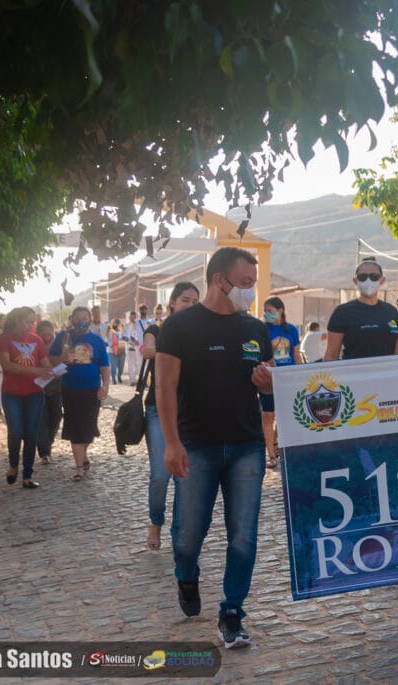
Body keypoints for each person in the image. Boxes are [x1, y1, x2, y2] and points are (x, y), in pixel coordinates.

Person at [156, 246, 273, 649]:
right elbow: (164, 387)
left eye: (253, 285)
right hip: (196, 446)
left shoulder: (256, 329)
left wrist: (267, 382)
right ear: (217, 280)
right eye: (244, 284)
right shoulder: (180, 327)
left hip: (246, 446)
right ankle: (186, 577)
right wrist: (171, 442)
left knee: (243, 536)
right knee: (188, 535)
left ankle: (232, 614)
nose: (249, 292)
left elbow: (268, 384)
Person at [140, 282, 200, 552]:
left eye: (195, 301)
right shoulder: (157, 330)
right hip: (158, 409)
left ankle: (180, 531)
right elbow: (148, 350)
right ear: (173, 303)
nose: (190, 305)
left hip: (190, 411)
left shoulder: (201, 333)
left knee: (185, 476)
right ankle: (156, 521)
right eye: (185, 300)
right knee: (160, 475)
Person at [48, 305, 109, 481]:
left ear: (90, 319)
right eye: (78, 317)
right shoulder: (64, 337)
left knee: (89, 429)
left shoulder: (96, 340)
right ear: (73, 320)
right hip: (70, 389)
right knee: (75, 428)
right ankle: (79, 467)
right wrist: (63, 358)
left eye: (85, 317)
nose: (82, 320)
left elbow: (104, 366)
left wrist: (105, 386)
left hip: (92, 390)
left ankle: (83, 455)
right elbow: (50, 359)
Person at [0, 307, 53, 488]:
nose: (31, 325)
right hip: (12, 393)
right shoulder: (4, 339)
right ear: (17, 321)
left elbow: (45, 365)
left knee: (31, 433)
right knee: (15, 431)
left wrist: (52, 371)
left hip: (34, 393)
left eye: (33, 322)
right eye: (28, 322)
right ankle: (13, 464)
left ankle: (27, 475)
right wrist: (36, 370)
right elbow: (7, 365)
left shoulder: (37, 340)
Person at [325, 257, 398, 361]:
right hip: (354, 375)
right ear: (355, 281)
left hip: (387, 375)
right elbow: (331, 356)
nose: (368, 281)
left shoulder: (391, 311)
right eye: (362, 277)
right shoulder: (342, 313)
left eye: (374, 276)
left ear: (382, 280)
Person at [260, 296, 301, 469]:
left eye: (270, 311)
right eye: (266, 311)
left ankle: (277, 445)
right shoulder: (262, 330)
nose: (267, 314)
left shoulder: (291, 329)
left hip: (288, 378)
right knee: (268, 415)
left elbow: (296, 354)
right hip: (269, 379)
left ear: (280, 310)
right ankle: (270, 454)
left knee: (285, 415)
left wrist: (300, 374)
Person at [35, 320, 63, 465]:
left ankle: (49, 441)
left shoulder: (59, 344)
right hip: (38, 388)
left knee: (57, 415)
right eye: (43, 334)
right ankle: (44, 452)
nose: (47, 337)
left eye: (49, 333)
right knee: (41, 419)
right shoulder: (34, 345)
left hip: (56, 387)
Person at [124, 309, 142, 382]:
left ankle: (140, 380)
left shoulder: (139, 324)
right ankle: (132, 380)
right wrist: (128, 340)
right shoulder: (125, 325)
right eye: (131, 317)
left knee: (138, 364)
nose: (132, 319)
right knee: (130, 364)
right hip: (129, 347)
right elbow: (122, 335)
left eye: (134, 317)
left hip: (138, 347)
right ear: (129, 317)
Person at [108, 318, 126, 384]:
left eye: (115, 322)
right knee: (113, 366)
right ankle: (113, 379)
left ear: (118, 324)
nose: (113, 324)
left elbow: (125, 337)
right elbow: (106, 339)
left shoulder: (122, 330)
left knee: (121, 366)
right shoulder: (109, 330)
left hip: (121, 349)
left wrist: (125, 338)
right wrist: (110, 344)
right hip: (111, 351)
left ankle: (119, 375)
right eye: (112, 322)